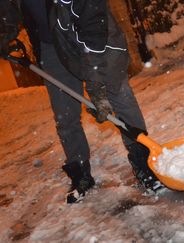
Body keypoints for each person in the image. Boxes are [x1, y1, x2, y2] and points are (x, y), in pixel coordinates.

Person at [0, 0, 161, 203]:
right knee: (64, 112)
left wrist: (95, 84)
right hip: (51, 44)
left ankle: (144, 162)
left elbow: (92, 23)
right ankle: (79, 172)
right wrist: (5, 27)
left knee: (118, 96)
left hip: (96, 38)